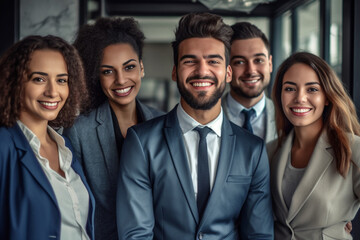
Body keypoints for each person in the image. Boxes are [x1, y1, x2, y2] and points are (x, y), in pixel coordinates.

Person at [116, 12, 273, 240]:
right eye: (190, 61)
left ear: (228, 72)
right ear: (174, 71)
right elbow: (136, 234)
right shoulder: (141, 142)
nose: (202, 70)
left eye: (213, 61)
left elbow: (259, 235)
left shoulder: (253, 150)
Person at [63, 17, 164, 240]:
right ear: (96, 77)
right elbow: (76, 207)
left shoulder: (164, 122)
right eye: (108, 71)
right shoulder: (79, 131)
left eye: (129, 67)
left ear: (142, 68)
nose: (121, 80)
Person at [0, 35, 95, 239]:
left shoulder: (65, 145)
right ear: (14, 82)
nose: (53, 92)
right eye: (39, 79)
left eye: (61, 80)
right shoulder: (3, 145)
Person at [267, 52, 360, 239]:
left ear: (327, 97)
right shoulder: (270, 152)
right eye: (290, 89)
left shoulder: (353, 149)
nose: (300, 98)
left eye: (312, 89)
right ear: (280, 96)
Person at [222, 22, 277, 143]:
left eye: (258, 60)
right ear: (226, 68)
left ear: (270, 64)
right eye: (239, 62)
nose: (251, 71)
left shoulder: (288, 117)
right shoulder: (205, 117)